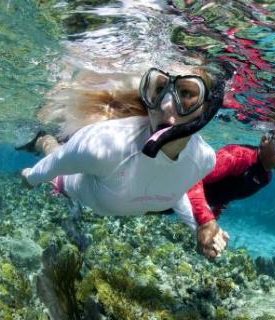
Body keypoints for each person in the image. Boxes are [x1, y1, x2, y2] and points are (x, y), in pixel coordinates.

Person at [20, 66, 230, 257]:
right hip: (73, 184)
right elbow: (58, 161)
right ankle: (43, 139)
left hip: (112, 195)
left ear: (207, 108)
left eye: (186, 93)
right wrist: (31, 178)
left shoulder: (204, 160)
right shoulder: (103, 146)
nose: (166, 106)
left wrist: (199, 227)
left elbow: (175, 187)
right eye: (159, 90)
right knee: (53, 149)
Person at [190, 126, 275, 258]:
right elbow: (191, 179)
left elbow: (226, 196)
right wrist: (207, 222)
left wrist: (213, 231)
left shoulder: (265, 178)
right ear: (264, 140)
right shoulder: (238, 156)